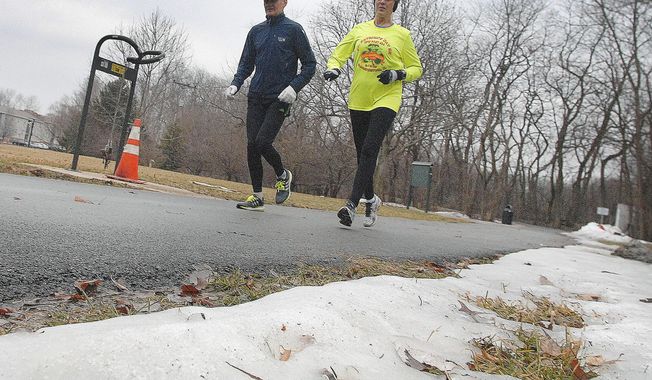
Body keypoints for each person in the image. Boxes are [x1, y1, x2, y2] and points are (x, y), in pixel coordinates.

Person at [323, 0, 422, 227]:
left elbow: (417, 68)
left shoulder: (402, 35)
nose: (382, 1)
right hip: (359, 98)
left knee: (369, 149)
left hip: (387, 98)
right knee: (363, 155)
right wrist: (333, 68)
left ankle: (351, 205)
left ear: (394, 4)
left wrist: (397, 74)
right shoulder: (360, 29)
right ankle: (371, 200)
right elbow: (339, 53)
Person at [226, 0, 316, 211]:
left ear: (284, 2)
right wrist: (235, 83)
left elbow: (310, 65)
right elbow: (246, 64)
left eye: (273, 1)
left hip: (280, 98)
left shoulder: (294, 30)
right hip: (256, 95)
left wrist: (294, 87)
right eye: (266, 1)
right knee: (251, 145)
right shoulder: (256, 31)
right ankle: (257, 196)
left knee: (262, 142)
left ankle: (283, 175)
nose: (269, 4)